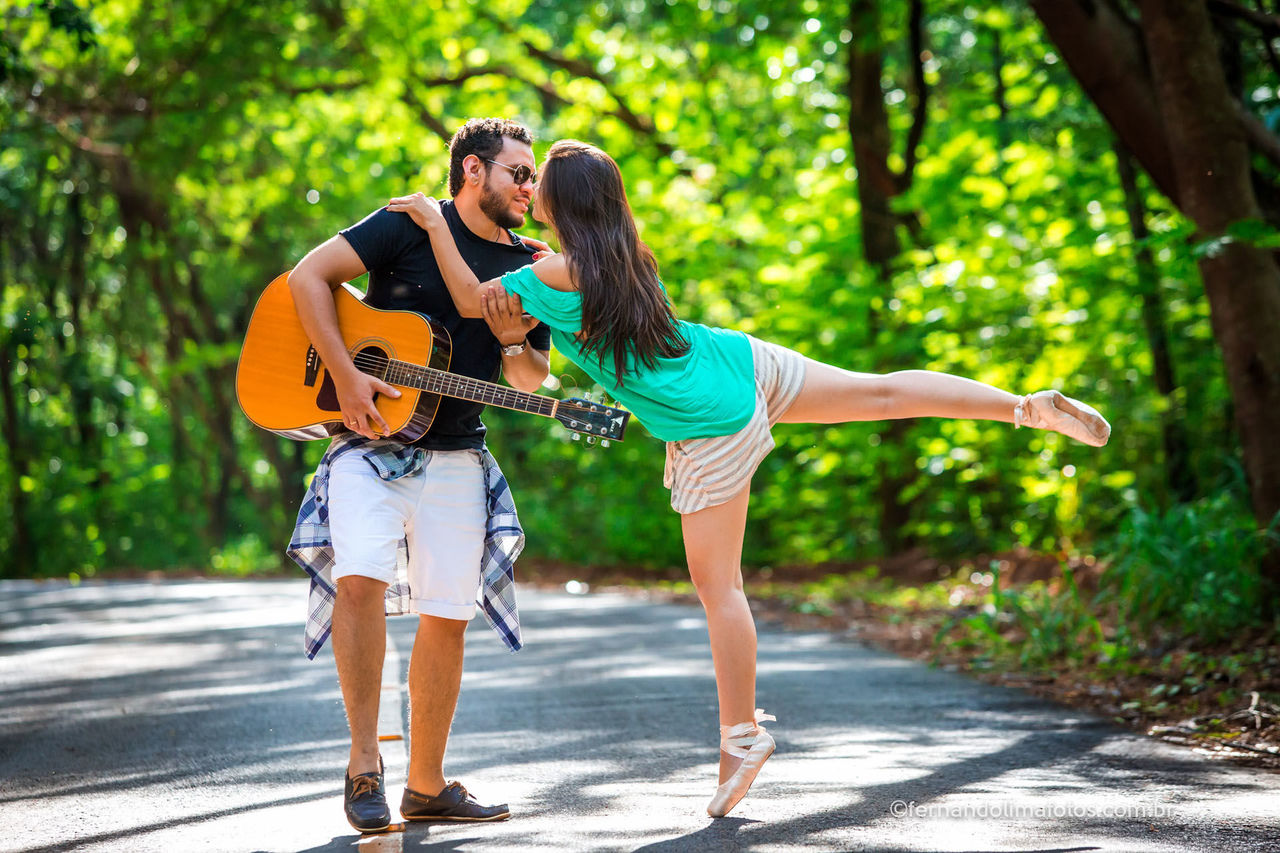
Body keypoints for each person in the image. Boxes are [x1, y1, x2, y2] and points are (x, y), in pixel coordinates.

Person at [386, 139, 1112, 819]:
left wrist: (431, 220)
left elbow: (468, 296)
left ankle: (741, 737)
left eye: (540, 176)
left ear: (566, 202)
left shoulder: (547, 274)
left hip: (708, 416)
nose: (530, 182)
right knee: (883, 391)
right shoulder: (621, 252)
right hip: (734, 360)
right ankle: (1023, 406)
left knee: (720, 587)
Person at [285, 118, 553, 833]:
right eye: (518, 173)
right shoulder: (405, 225)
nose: (531, 187)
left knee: (447, 612)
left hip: (460, 451)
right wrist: (345, 374)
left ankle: (426, 784)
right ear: (473, 170)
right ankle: (364, 762)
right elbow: (307, 277)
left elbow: (532, 377)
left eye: (532, 176)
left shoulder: (531, 261)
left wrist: (513, 341)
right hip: (367, 442)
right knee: (362, 575)